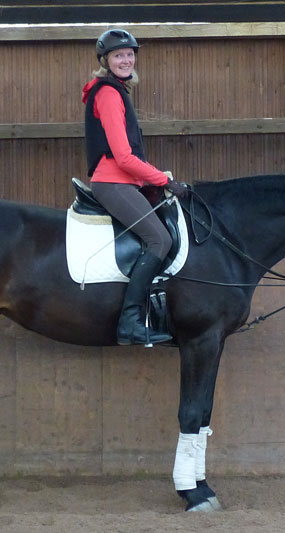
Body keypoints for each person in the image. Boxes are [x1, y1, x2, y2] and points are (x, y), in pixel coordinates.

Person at [82, 28, 189, 346]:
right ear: (105, 60)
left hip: (123, 180)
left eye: (129, 54)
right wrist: (164, 180)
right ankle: (129, 322)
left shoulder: (116, 91)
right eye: (118, 55)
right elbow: (124, 156)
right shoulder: (109, 94)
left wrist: (152, 180)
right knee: (159, 240)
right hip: (112, 182)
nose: (126, 59)